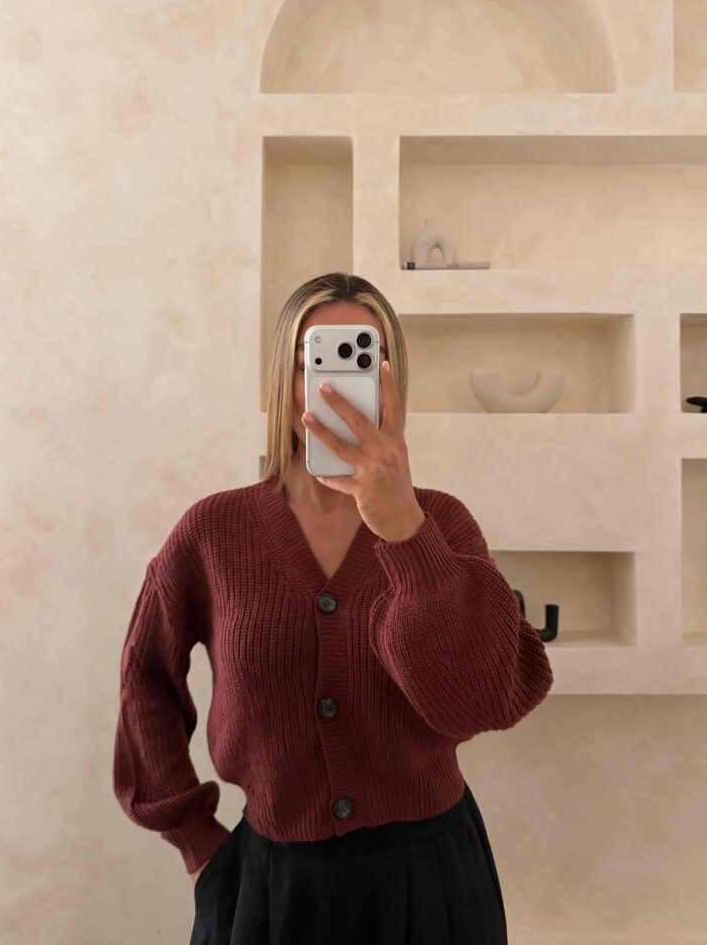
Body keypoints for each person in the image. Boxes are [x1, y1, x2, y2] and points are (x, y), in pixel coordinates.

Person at [112, 271, 554, 944]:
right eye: (311, 363)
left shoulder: (441, 524)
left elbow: (487, 698)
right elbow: (145, 677)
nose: (334, 386)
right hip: (269, 886)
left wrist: (405, 533)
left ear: (392, 384)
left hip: (432, 882)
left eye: (362, 361)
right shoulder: (213, 531)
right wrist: (194, 837)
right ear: (282, 383)